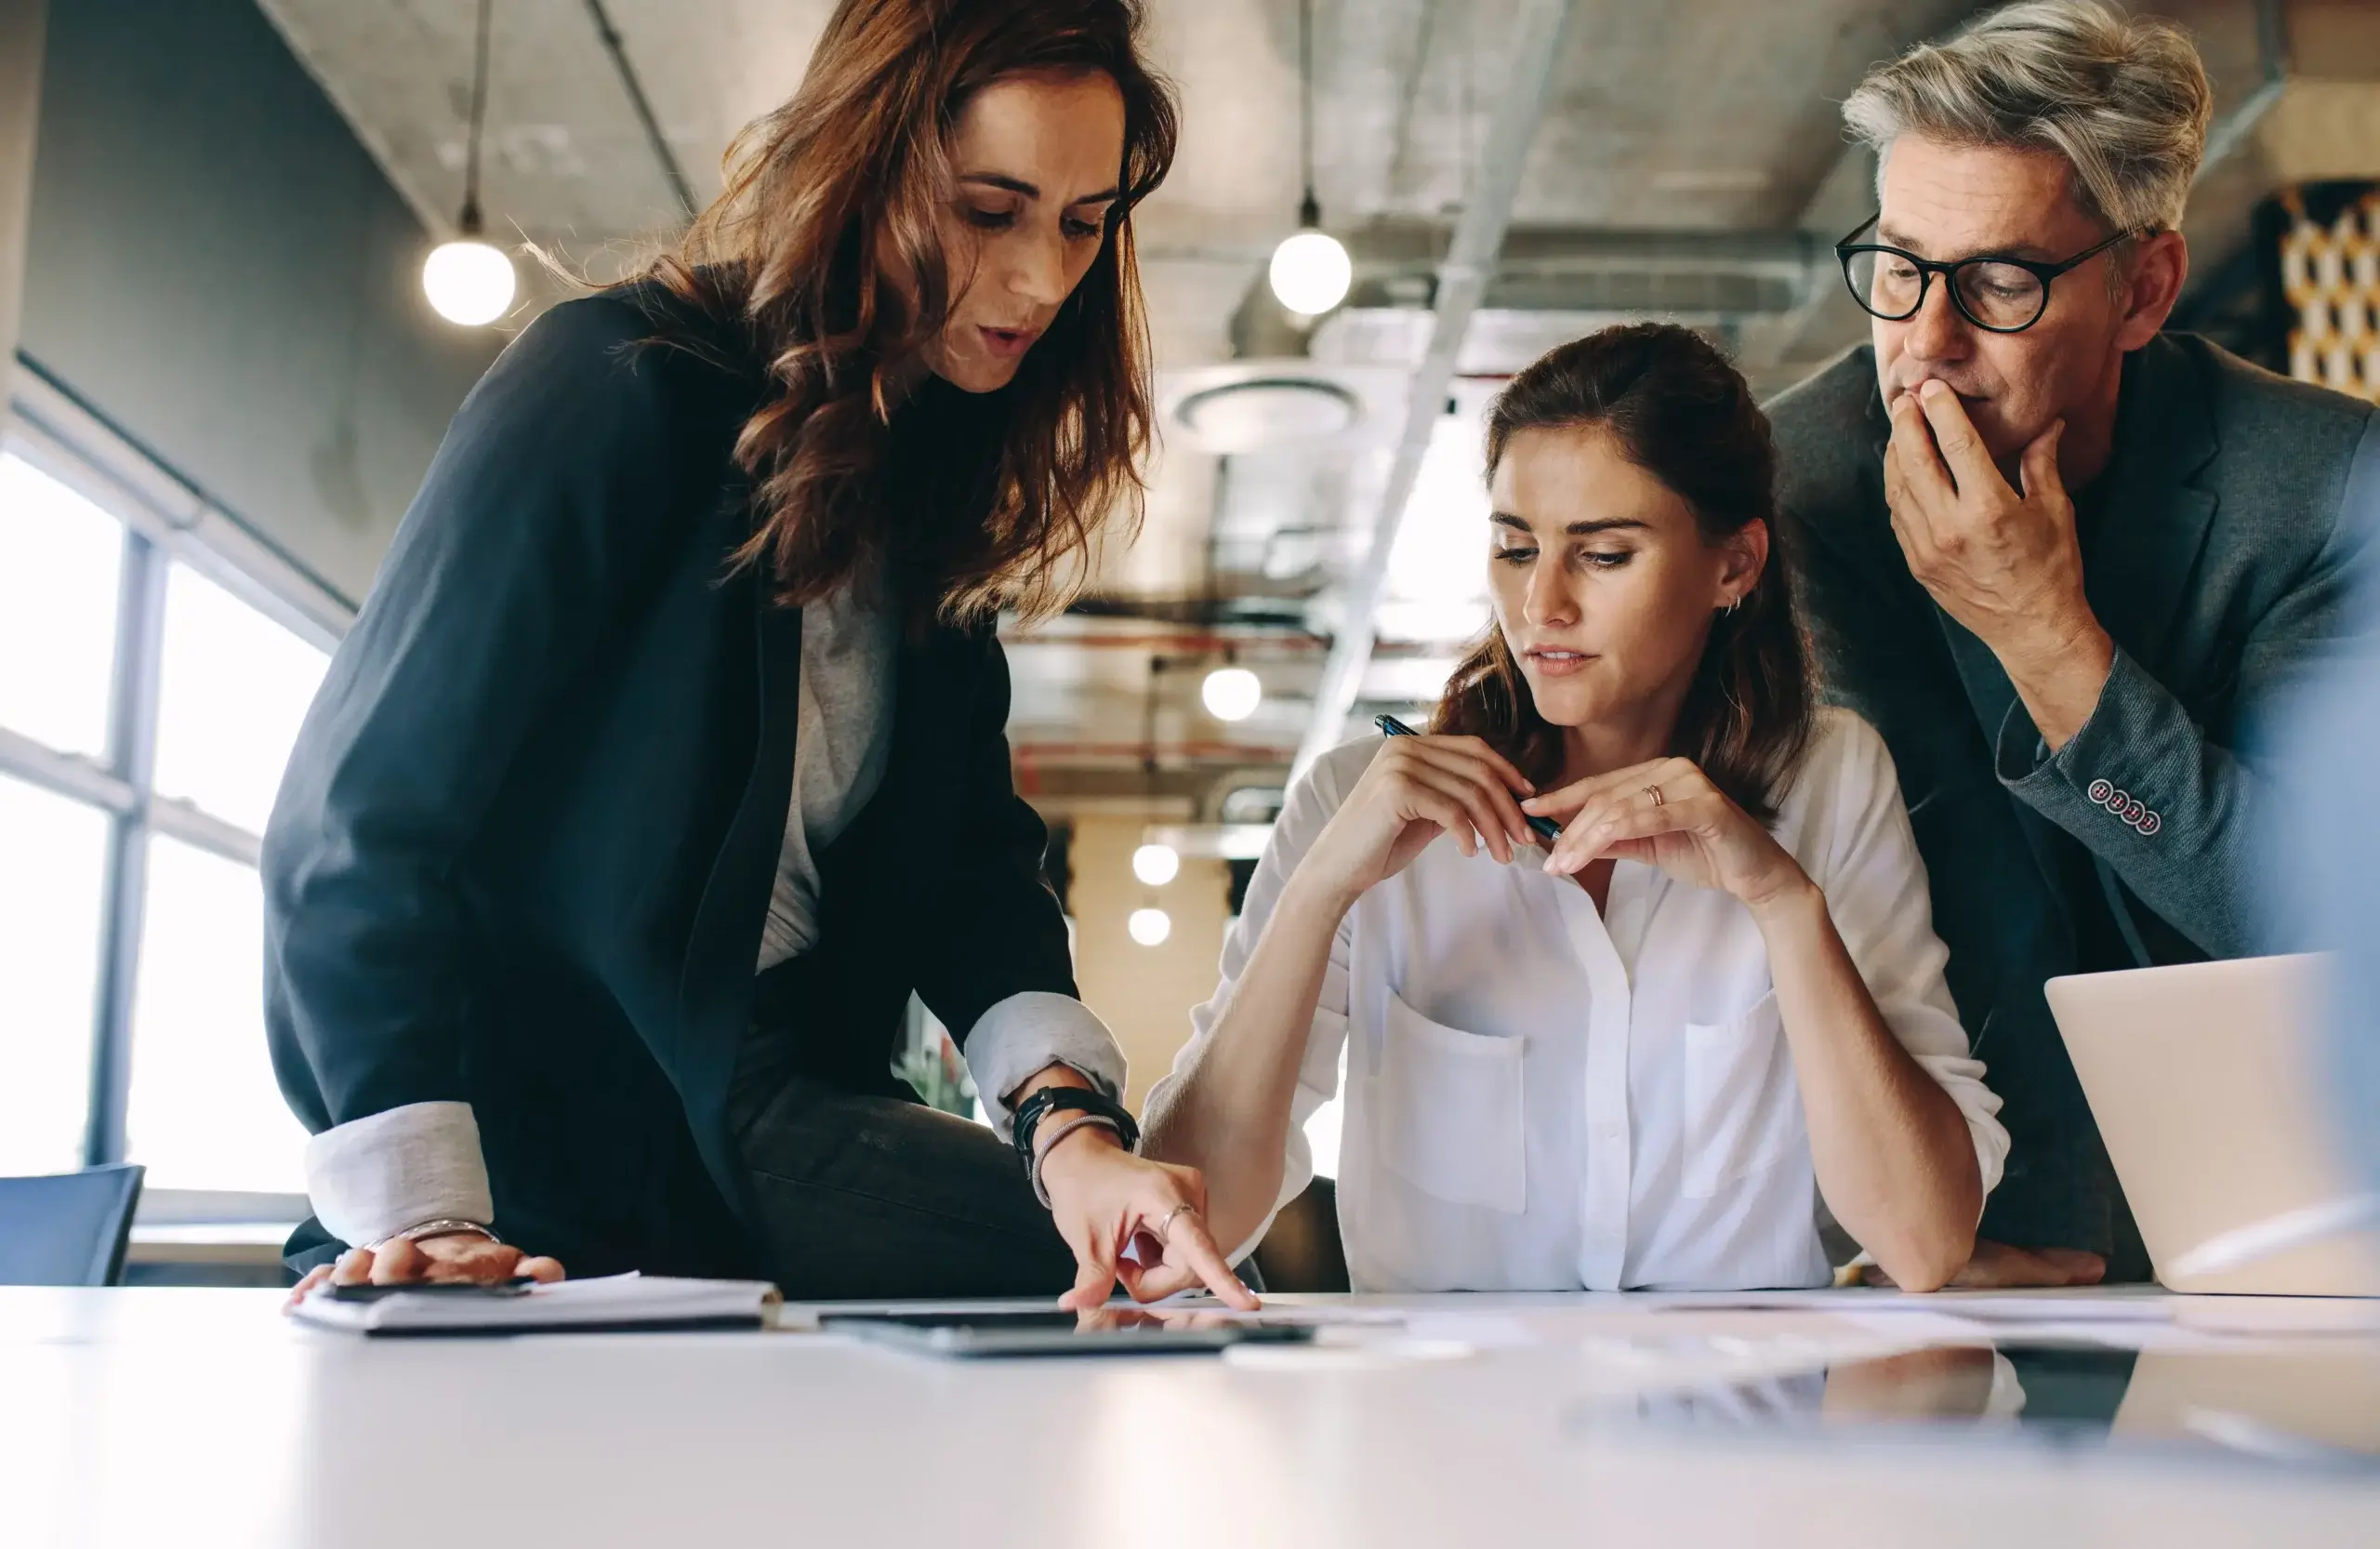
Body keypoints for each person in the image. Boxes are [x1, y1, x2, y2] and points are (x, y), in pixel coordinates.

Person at [270, 0, 1254, 1312]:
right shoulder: (614, 385)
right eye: (989, 208)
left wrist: (1070, 1127)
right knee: (1135, 1287)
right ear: (865, 168)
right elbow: (361, 825)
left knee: (1147, 1258)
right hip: (562, 1135)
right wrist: (425, 1207)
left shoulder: (922, 486)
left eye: (1084, 223)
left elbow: (973, 871)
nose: (1042, 279)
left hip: (778, 1098)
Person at [1141, 324, 2009, 1293]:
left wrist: (1781, 902)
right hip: (1445, 1426)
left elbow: (1924, 1241)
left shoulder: (1832, 780)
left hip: (1741, 1425)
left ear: (1734, 566)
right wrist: (1316, 896)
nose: (1540, 604)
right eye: (1515, 549)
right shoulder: (1355, 803)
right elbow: (1185, 1228)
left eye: (1601, 555)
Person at [1766, 0, 2380, 1286]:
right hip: (1935, 1223)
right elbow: (1889, 893)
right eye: (1896, 266)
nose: (1922, 346)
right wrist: (1974, 1217)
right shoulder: (1792, 492)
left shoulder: (2321, 488)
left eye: (1998, 280)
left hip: (2276, 1207)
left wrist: (2048, 642)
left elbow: (2307, 918)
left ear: (2145, 289)